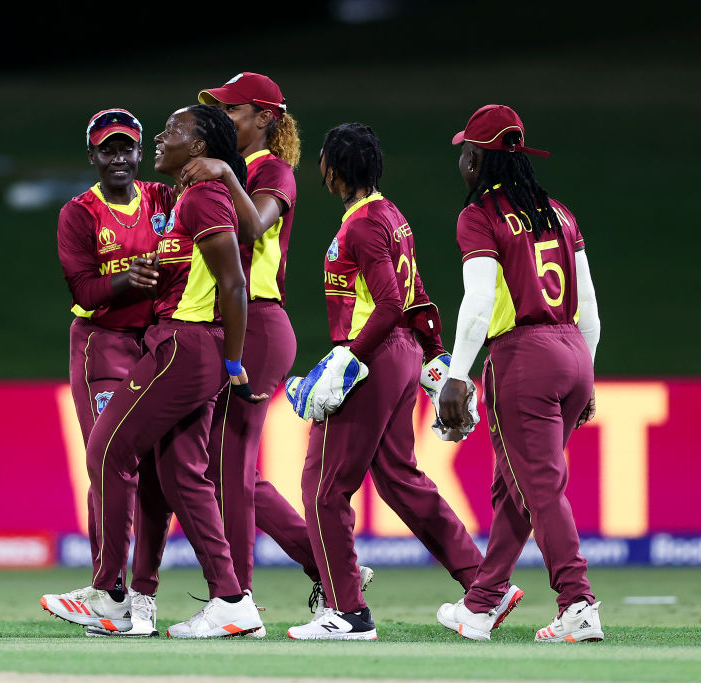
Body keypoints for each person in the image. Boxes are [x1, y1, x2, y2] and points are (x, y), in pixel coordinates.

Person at [42, 104, 267, 638]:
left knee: (107, 450)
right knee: (182, 477)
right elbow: (86, 290)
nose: (161, 138)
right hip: (151, 343)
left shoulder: (196, 195)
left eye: (172, 131)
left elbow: (235, 280)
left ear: (198, 148)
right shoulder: (175, 198)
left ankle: (113, 593)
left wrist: (233, 360)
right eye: (109, 147)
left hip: (182, 345)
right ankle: (231, 599)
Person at [284, 123, 487, 640]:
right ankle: (483, 582)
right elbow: (414, 293)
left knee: (323, 485)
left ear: (333, 170)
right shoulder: (388, 213)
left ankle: (347, 612)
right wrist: (433, 355)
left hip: (372, 357)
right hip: (398, 353)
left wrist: (348, 359)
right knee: (399, 477)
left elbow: (391, 302)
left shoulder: (362, 225)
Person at [188, 73, 372, 624]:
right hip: (228, 321)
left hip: (259, 323)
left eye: (231, 111)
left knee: (228, 465)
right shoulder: (235, 169)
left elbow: (255, 226)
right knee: (228, 466)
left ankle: (236, 599)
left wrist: (221, 171)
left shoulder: (273, 169)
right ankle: (326, 566)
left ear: (264, 118)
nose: (222, 122)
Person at [435, 104, 603, 643]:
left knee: (539, 487)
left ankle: (577, 603)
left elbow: (479, 301)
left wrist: (455, 378)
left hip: (524, 358)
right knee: (517, 486)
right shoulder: (561, 214)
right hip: (574, 351)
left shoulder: (479, 214)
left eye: (467, 152)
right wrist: (589, 376)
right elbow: (592, 310)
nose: (462, 162)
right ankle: (482, 605)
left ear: (479, 160)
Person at [55, 108, 174, 638]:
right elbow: (83, 292)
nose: (119, 157)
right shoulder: (79, 214)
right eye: (108, 149)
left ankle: (136, 594)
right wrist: (128, 279)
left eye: (127, 147)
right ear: (93, 156)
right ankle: (111, 587)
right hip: (101, 348)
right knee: (108, 459)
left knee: (154, 472)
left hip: (156, 344)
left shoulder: (163, 200)